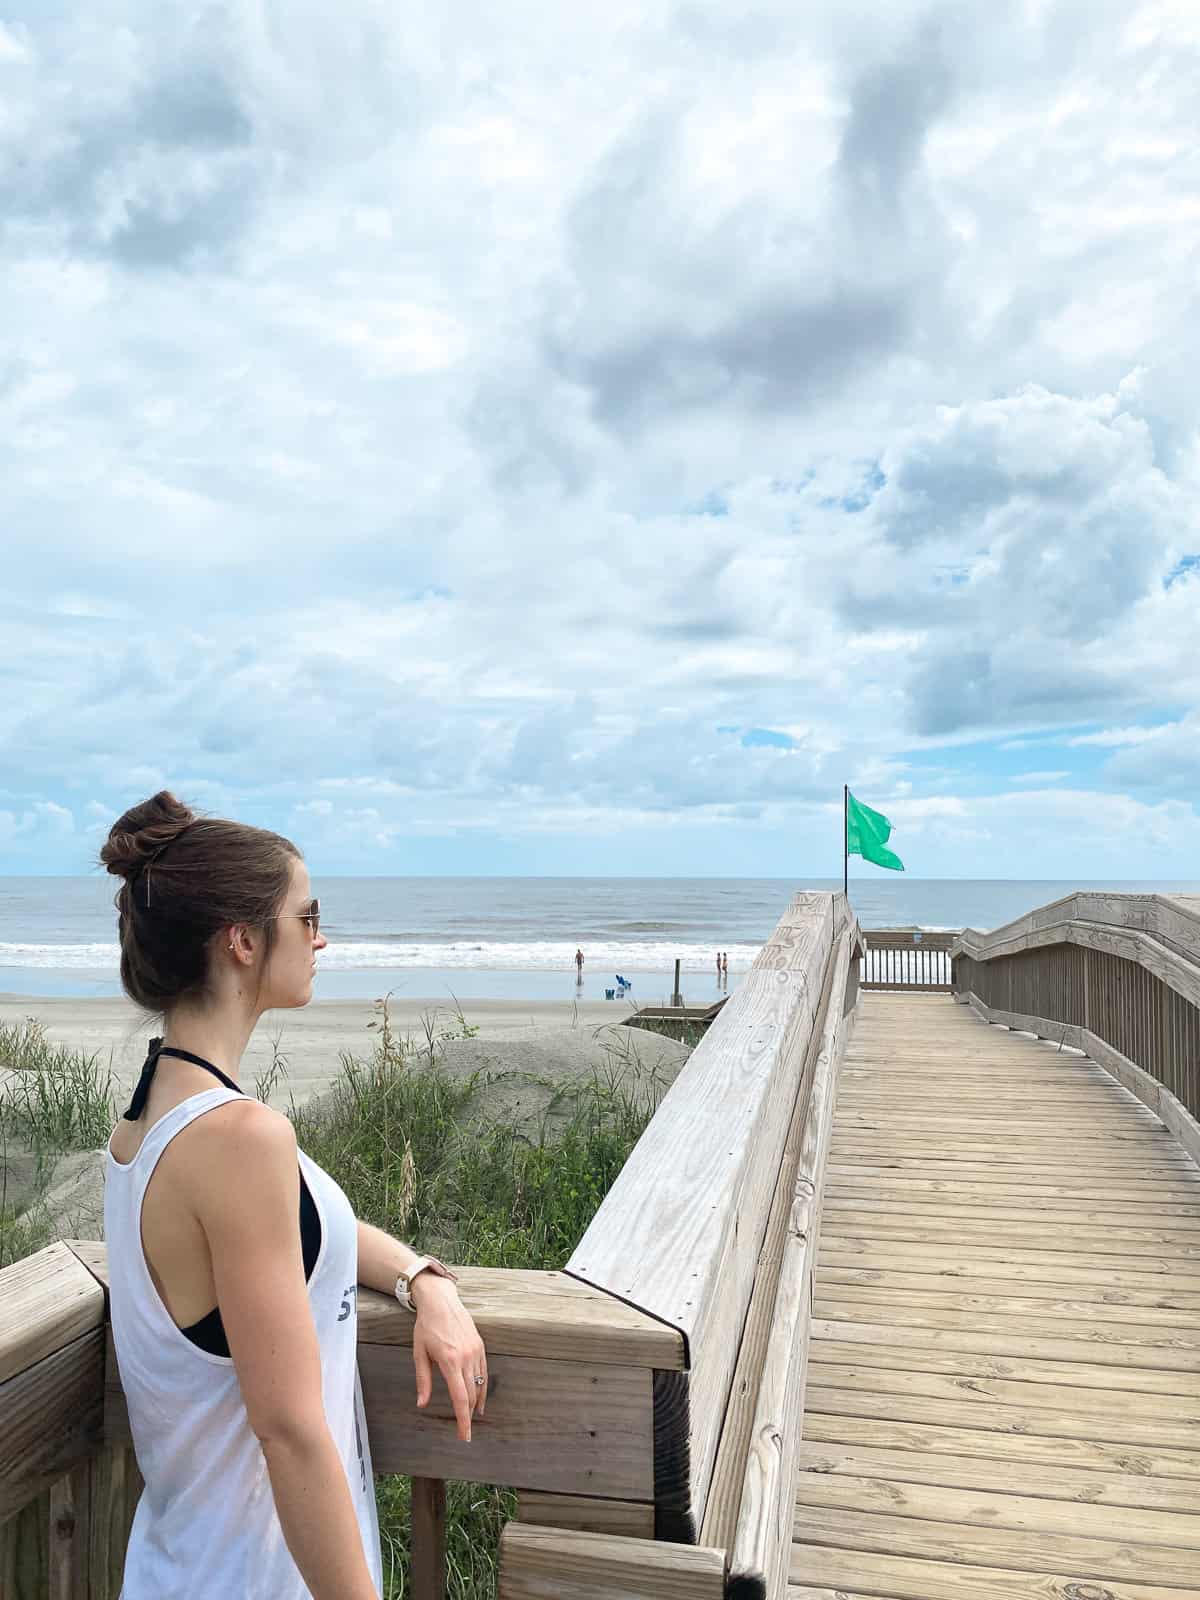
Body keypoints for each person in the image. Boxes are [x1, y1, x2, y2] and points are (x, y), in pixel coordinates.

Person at [101, 791, 487, 1600]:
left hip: (187, 1564)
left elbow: (313, 1233)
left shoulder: (151, 1117)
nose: (321, 937)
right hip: (250, 1580)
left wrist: (424, 1283)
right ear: (242, 940)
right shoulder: (237, 1139)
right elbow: (290, 1432)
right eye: (306, 918)